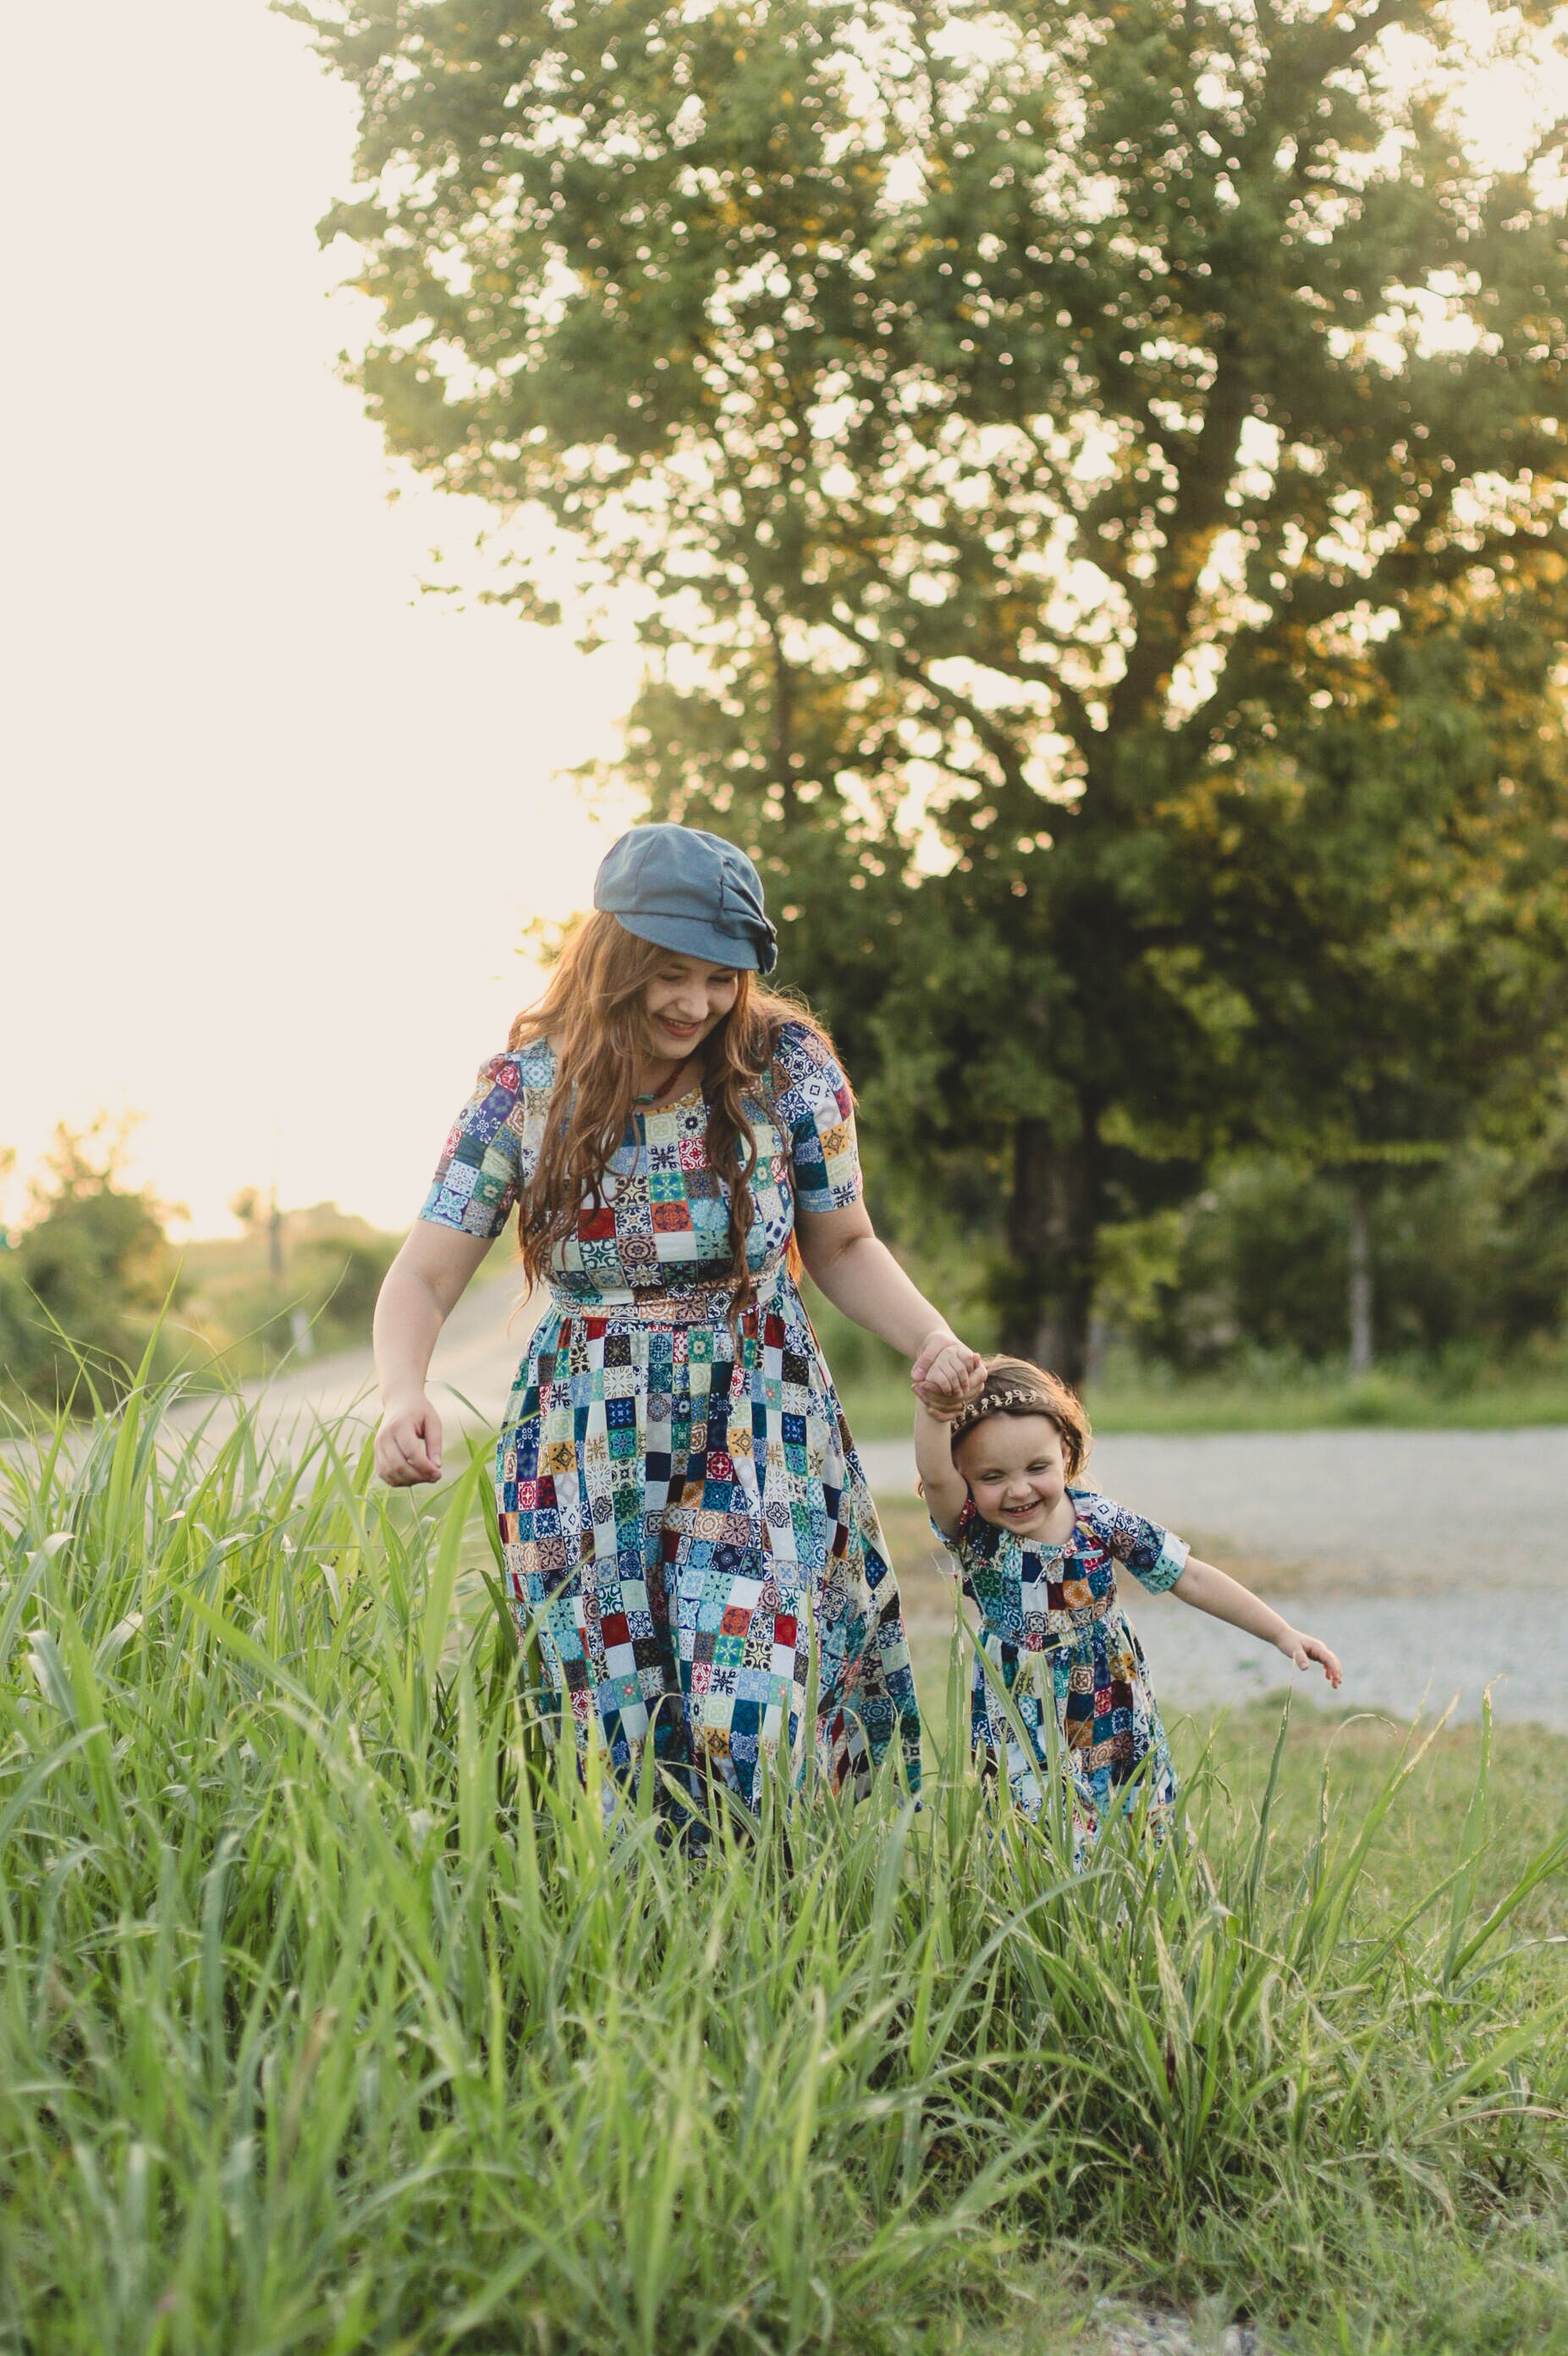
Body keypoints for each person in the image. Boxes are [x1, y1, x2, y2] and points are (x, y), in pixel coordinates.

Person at [373, 821, 982, 1824]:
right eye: (669, 973)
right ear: (610, 957)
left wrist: (931, 1338)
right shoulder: (525, 1089)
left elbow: (842, 1245)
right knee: (609, 1730)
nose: (694, 1003)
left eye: (718, 977)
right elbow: (427, 1274)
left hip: (754, 1416)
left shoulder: (784, 1067)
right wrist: (403, 1393)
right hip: (585, 1434)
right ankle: (645, 1955)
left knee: (749, 1706)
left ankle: (776, 1931)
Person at [914, 1355, 1343, 1862]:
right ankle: (1045, 1924)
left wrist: (1281, 1632)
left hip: (1108, 1696)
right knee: (1031, 1828)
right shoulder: (977, 1534)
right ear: (966, 1476)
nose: (1019, 1489)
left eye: (1037, 1467)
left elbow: (1190, 1575)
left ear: (1065, 1451)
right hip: (1017, 1705)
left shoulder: (1100, 1519)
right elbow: (935, 1474)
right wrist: (935, 1408)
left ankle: (1132, 1917)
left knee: (1131, 1814)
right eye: (992, 1475)